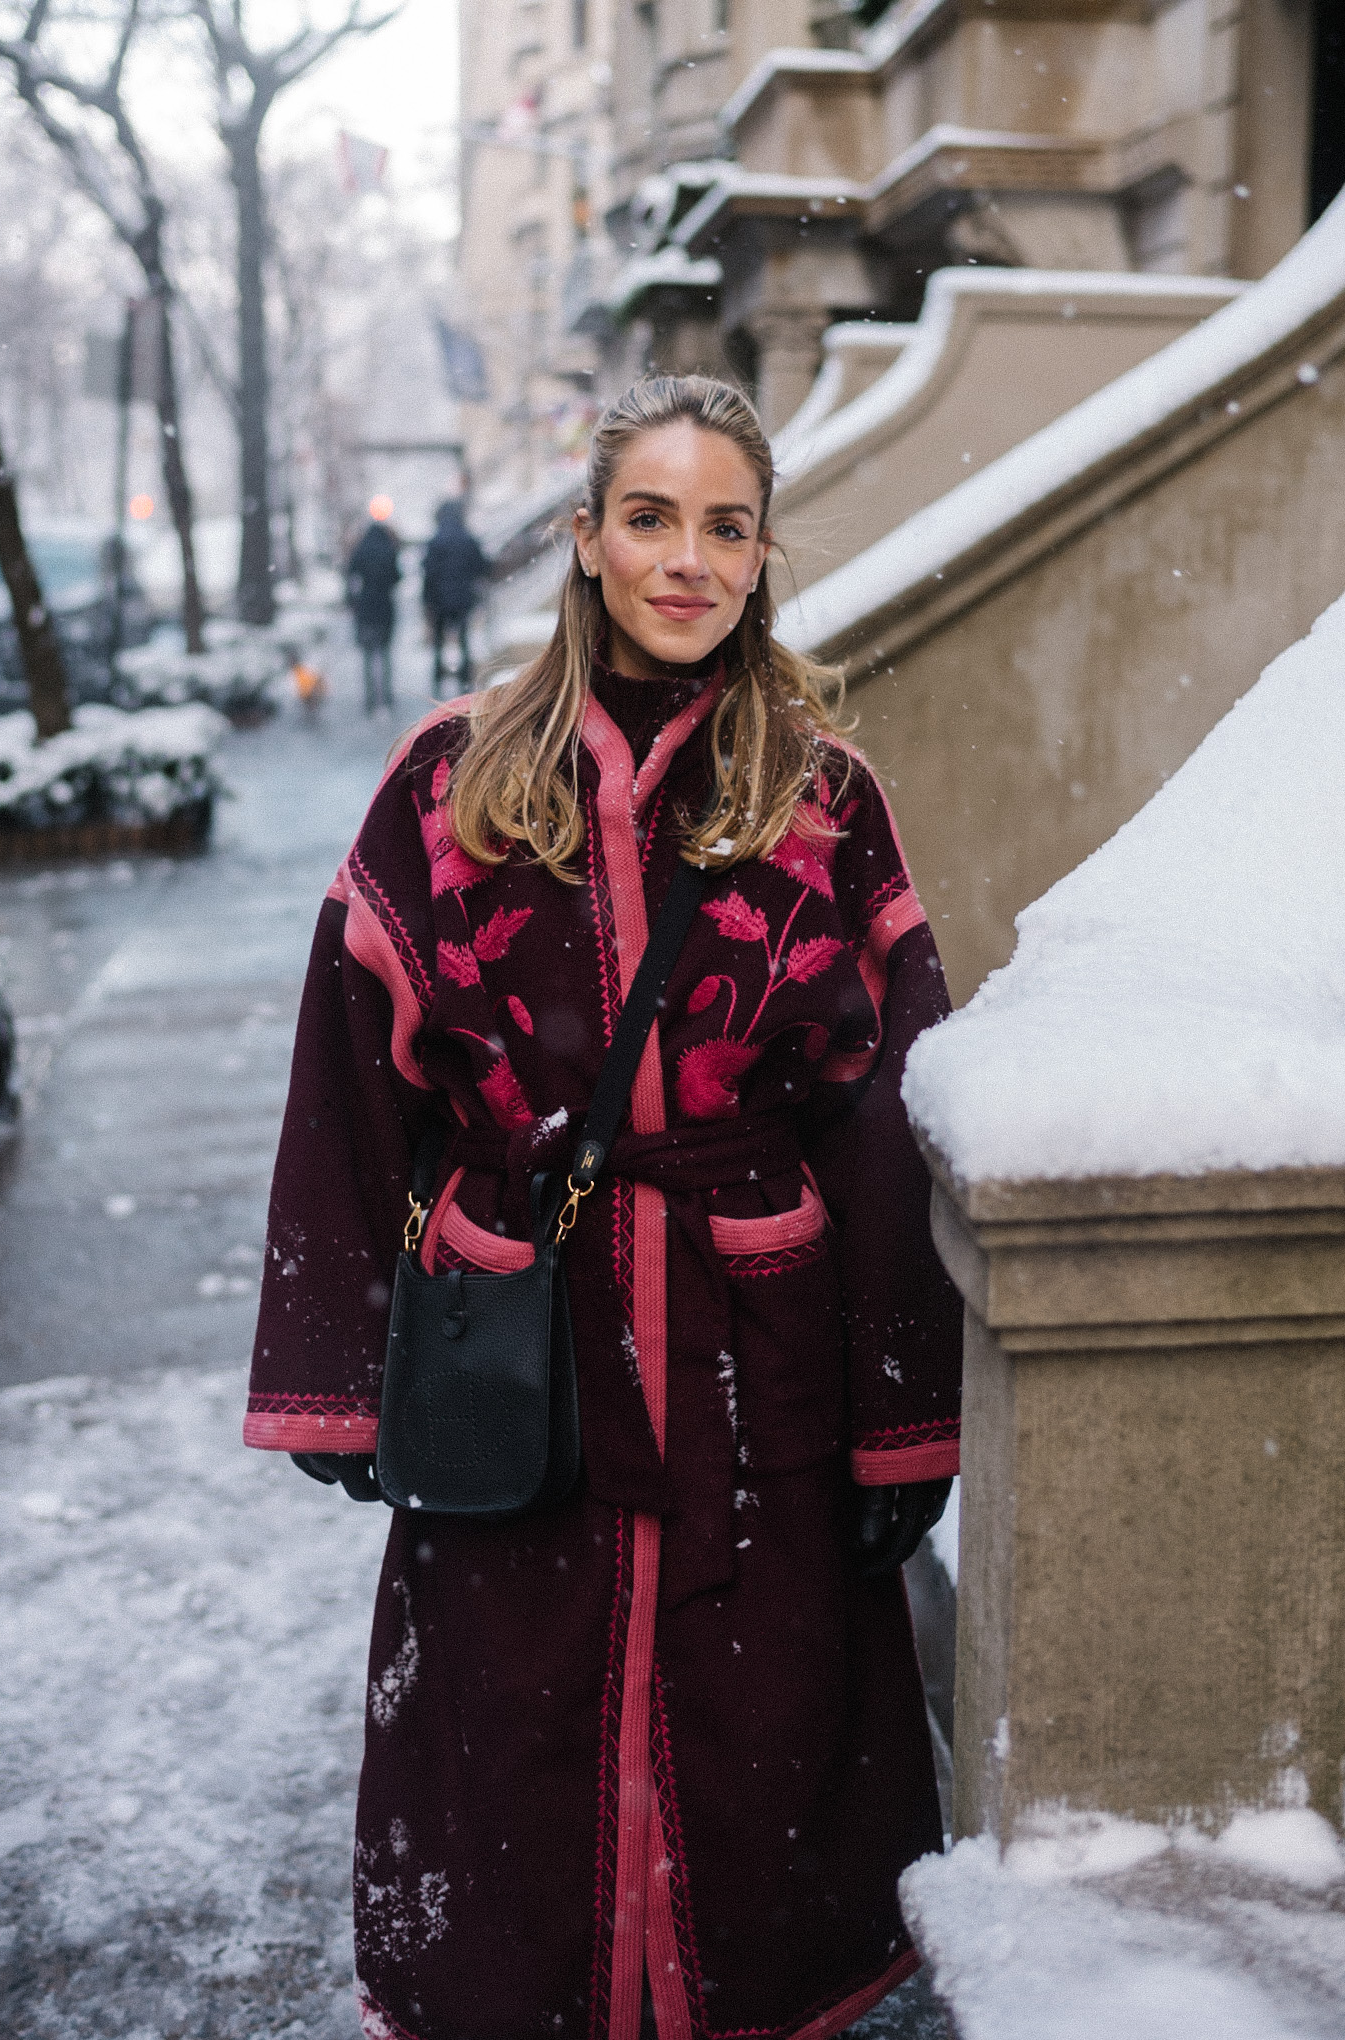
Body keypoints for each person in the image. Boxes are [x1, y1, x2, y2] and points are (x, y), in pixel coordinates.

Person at [245, 376, 961, 2040]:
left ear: (764, 554)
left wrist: (898, 1427)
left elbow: (885, 1117)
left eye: (725, 525)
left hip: (755, 1352)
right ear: (584, 541)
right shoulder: (451, 785)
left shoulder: (826, 799)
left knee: (764, 1720)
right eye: (651, 517)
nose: (686, 560)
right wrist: (342, 1375)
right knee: (509, 1723)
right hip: (521, 1345)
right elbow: (351, 1072)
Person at [420, 496, 487, 696]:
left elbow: (428, 573)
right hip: (463, 599)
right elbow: (481, 567)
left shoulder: (435, 541)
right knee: (464, 641)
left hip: (440, 601)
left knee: (439, 644)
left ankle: (437, 684)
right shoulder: (468, 539)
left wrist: (427, 601)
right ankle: (464, 685)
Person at [346, 515, 402, 712]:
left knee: (368, 654)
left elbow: (350, 576)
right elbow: (397, 577)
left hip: (365, 607)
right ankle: (386, 696)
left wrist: (352, 602)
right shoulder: (388, 550)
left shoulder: (360, 550)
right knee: (385, 652)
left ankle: (370, 697)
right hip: (384, 606)